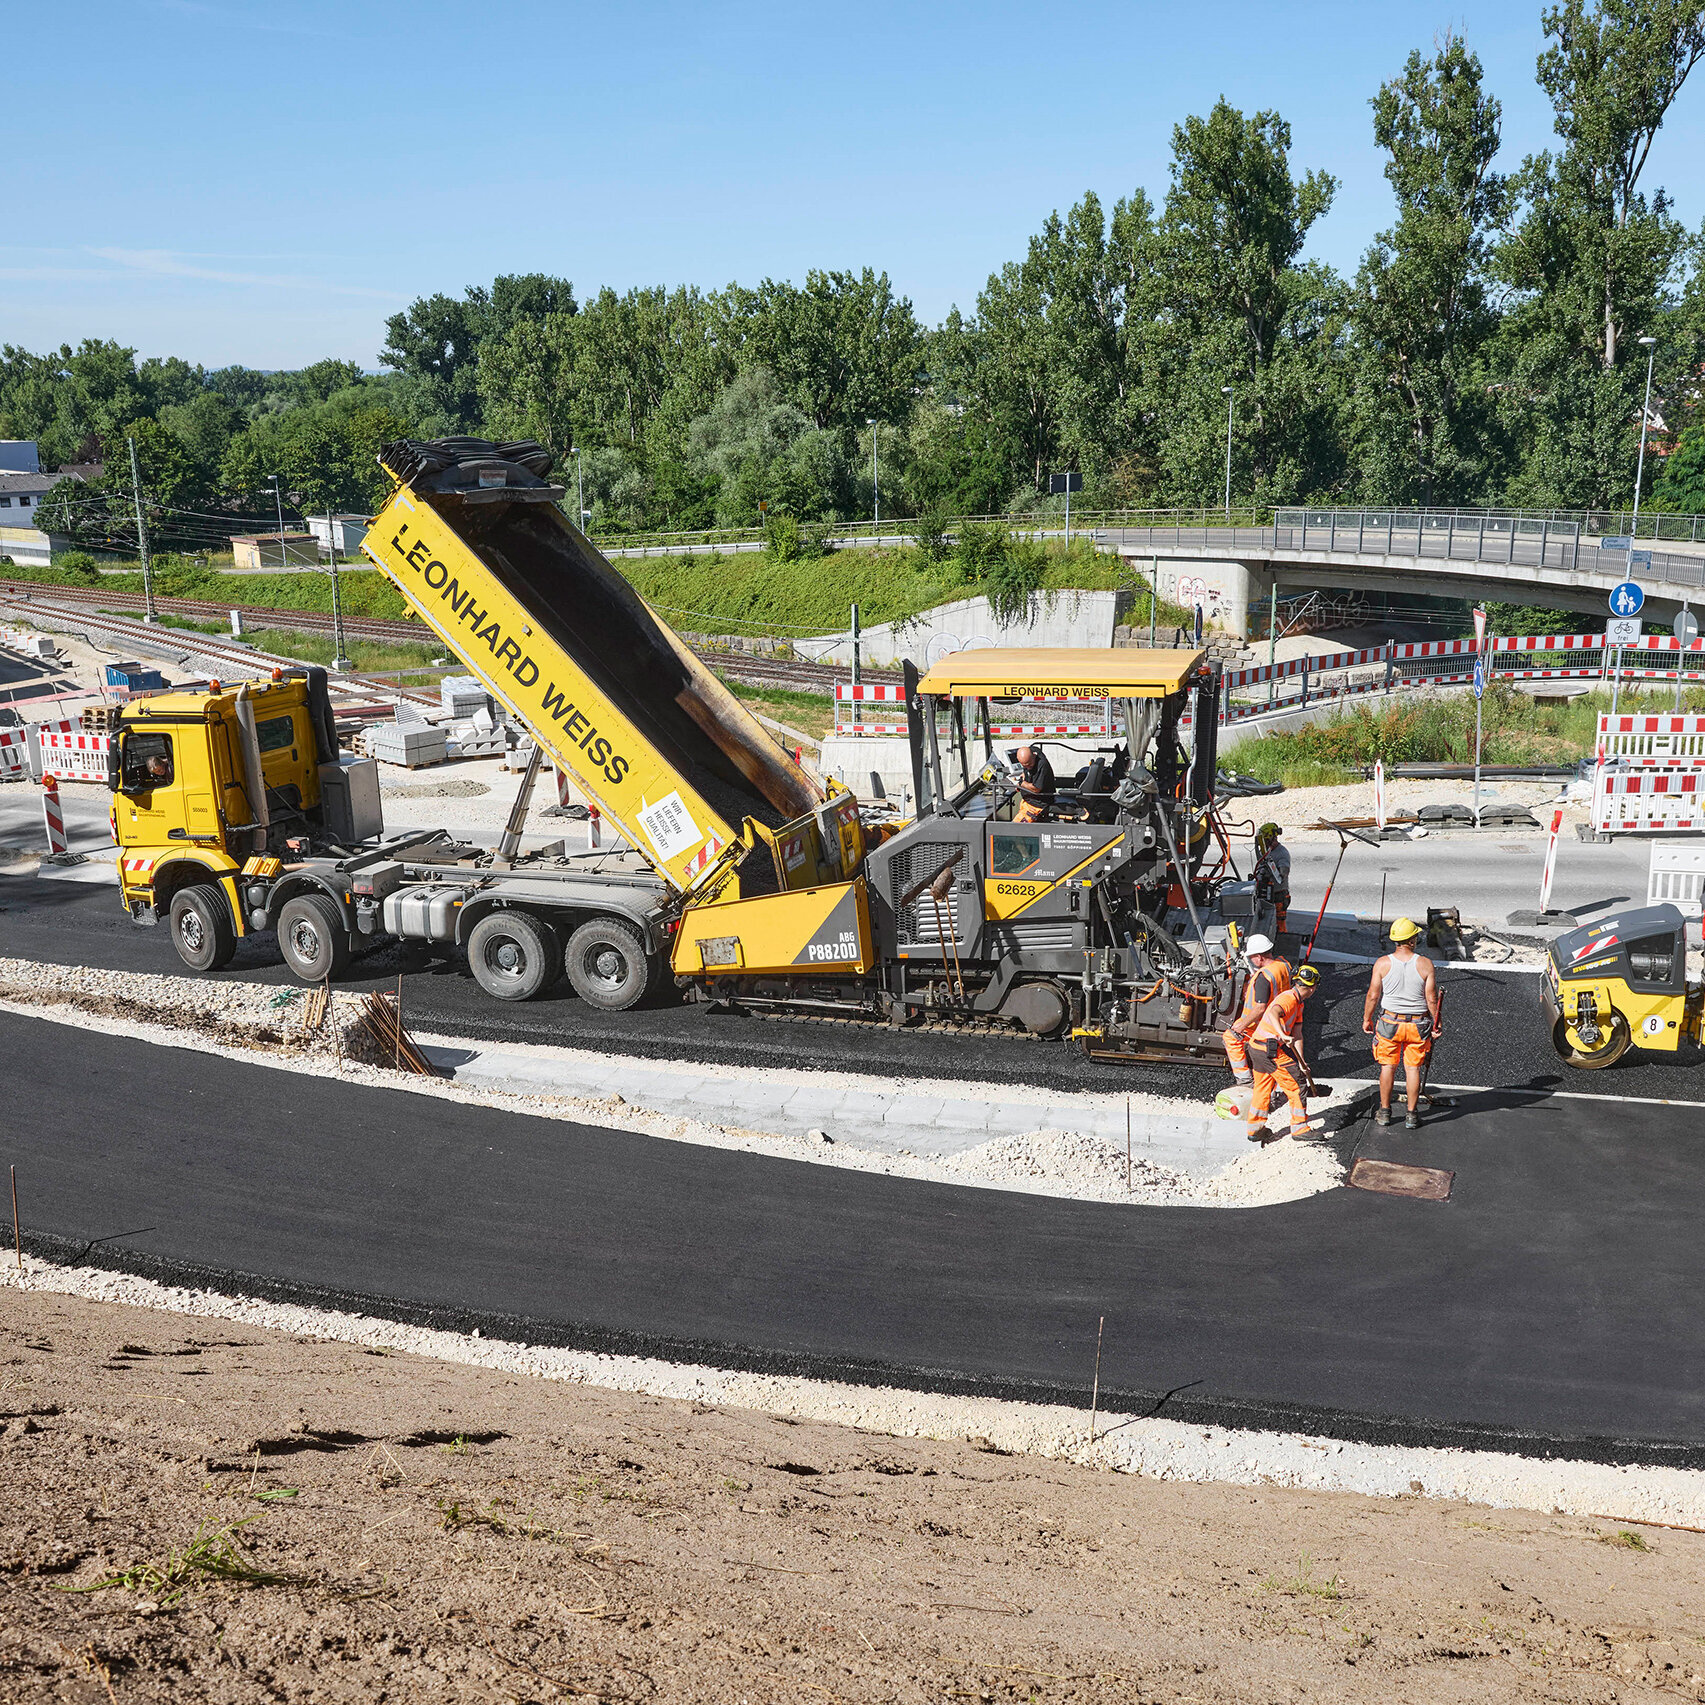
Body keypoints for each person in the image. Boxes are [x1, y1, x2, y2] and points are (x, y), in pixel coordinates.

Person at [1362, 917, 1440, 1129]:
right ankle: (1412, 1115)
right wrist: (1436, 1022)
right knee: (1412, 1069)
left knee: (1388, 1066)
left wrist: (1367, 1019)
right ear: (1412, 940)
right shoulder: (1425, 964)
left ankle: (1385, 1112)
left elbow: (1372, 995)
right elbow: (1431, 998)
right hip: (1417, 1025)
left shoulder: (1382, 963)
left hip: (1389, 1022)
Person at [1245, 962, 1321, 1144]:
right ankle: (1300, 1128)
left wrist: (1302, 1062)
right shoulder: (1288, 999)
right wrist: (1282, 1034)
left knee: (1263, 1087)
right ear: (1313, 988)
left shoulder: (1298, 1004)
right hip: (1267, 1049)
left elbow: (1298, 1034)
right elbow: (1274, 1012)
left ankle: (1255, 1129)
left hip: (1257, 1048)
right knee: (1297, 1084)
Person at [1223, 933, 1292, 1086]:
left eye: (1252, 957)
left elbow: (1260, 1008)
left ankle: (1245, 1080)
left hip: (1262, 1023)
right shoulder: (1284, 964)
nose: (1251, 960)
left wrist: (1242, 1025)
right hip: (1282, 1019)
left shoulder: (1263, 977)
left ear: (1259, 957)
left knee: (1231, 1037)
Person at [1253, 822, 1291, 936]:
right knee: (1265, 923)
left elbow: (1283, 873)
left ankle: (1282, 943)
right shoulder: (1266, 852)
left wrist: (1271, 872)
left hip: (1279, 895)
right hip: (1266, 893)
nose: (1263, 844)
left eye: (1265, 841)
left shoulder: (1282, 853)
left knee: (1279, 925)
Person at [1011, 743, 1056, 823]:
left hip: (1037, 805)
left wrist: (1021, 784)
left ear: (1034, 756)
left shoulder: (1042, 765)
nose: (1028, 768)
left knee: (1015, 827)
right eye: (1025, 766)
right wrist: (1024, 775)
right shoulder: (1033, 750)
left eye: (1030, 765)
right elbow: (1027, 770)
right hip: (1027, 801)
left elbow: (1036, 789)